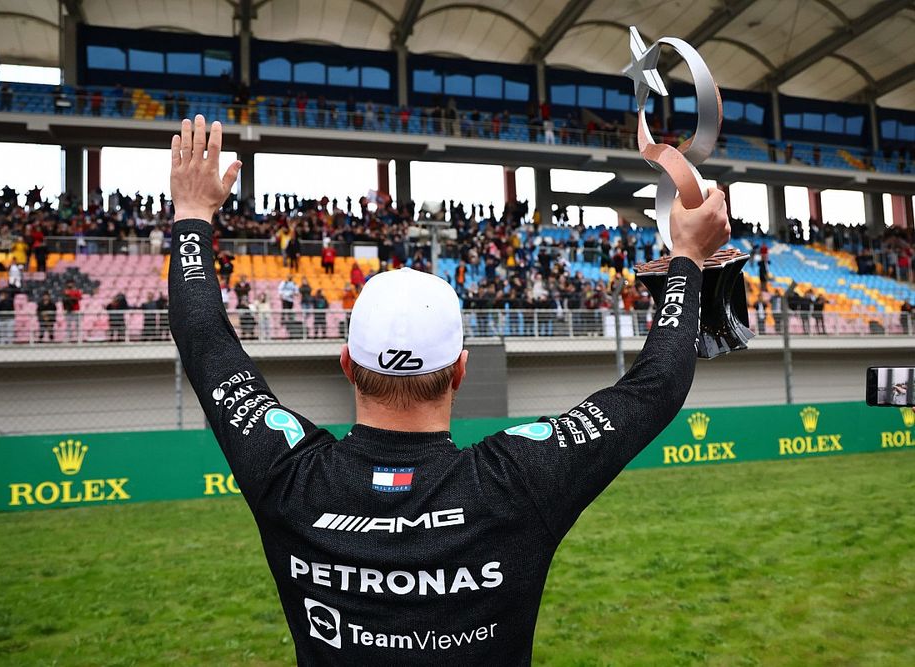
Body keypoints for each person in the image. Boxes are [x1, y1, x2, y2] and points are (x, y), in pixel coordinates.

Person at [167, 115, 730, 665]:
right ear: (462, 370)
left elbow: (203, 339)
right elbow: (655, 387)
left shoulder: (289, 476)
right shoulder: (513, 483)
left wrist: (193, 215)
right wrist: (688, 259)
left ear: (347, 363)